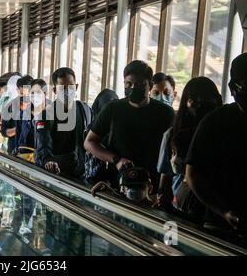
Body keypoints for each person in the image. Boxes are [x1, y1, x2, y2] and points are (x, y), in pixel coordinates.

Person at [84, 60, 175, 194]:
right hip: (118, 184)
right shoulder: (114, 109)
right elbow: (89, 142)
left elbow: (170, 154)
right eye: (129, 84)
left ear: (149, 86)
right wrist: (116, 160)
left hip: (153, 187)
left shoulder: (165, 113)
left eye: (139, 85)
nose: (133, 88)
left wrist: (164, 190)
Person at [186, 53, 247, 236]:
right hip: (220, 226)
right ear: (232, 88)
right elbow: (193, 174)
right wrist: (224, 211)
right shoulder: (215, 122)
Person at [156, 77, 222, 214]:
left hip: (215, 206)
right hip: (181, 204)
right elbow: (166, 175)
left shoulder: (224, 132)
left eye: (206, 100)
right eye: (194, 100)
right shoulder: (172, 134)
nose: (200, 105)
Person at [35, 67, 92, 180]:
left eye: (70, 87)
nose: (67, 92)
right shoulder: (46, 115)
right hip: (59, 177)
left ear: (76, 87)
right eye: (62, 89)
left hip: (83, 176)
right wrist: (48, 161)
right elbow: (43, 144)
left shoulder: (84, 110)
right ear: (55, 90)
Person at [1, 75, 34, 156]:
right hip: (14, 152)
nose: (25, 98)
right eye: (22, 94)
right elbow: (4, 131)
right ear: (18, 90)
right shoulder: (10, 106)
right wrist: (19, 129)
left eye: (28, 95)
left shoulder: (39, 106)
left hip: (33, 153)